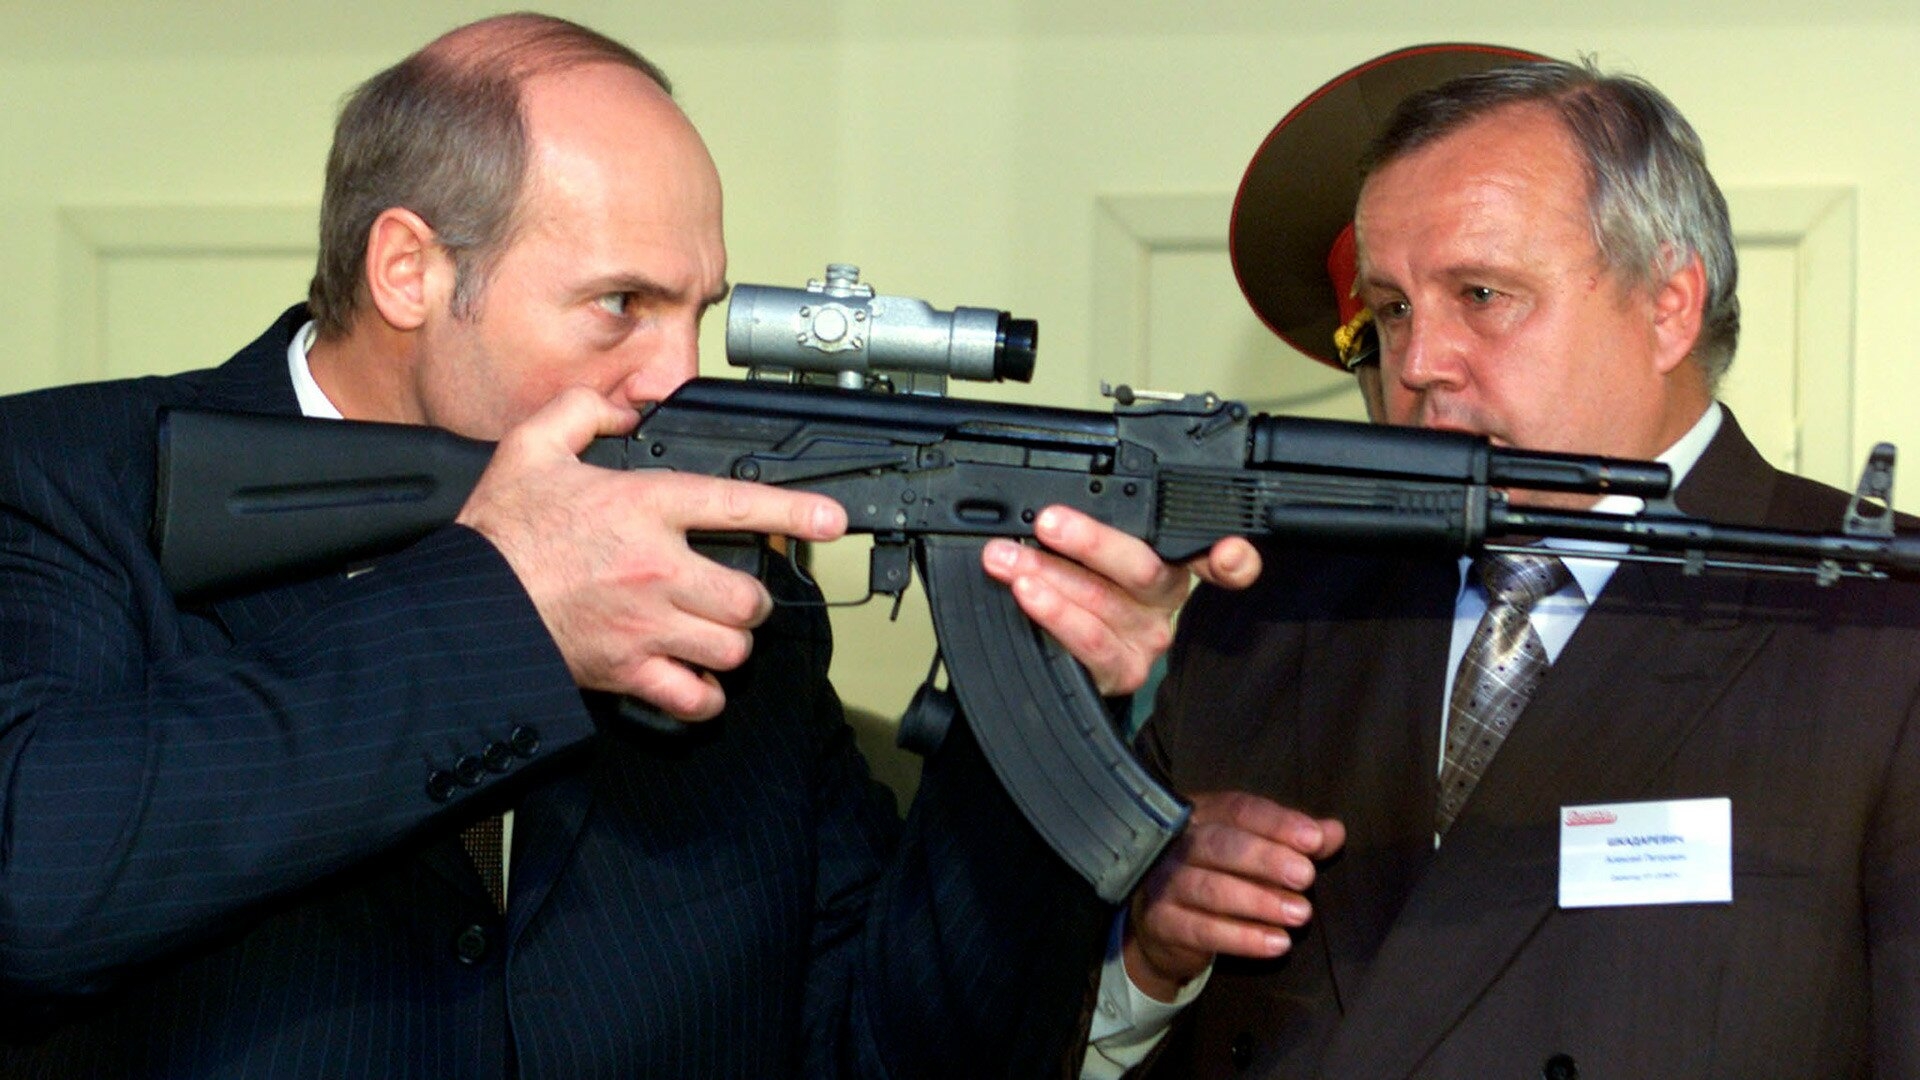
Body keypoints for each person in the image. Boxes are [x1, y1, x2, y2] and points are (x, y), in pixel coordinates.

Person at [0, 13, 1255, 1077]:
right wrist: (506, 612)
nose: (676, 374)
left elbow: (888, 1052)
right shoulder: (63, 485)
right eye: (620, 305)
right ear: (408, 270)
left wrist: (1033, 688)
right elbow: (33, 886)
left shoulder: (727, 586)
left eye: (698, 310)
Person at [1102, 49, 1920, 1078]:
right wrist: (1148, 951)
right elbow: (1018, 1015)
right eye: (1393, 310)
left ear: (1669, 304)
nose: (1416, 364)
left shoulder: (1885, 626)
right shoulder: (1266, 606)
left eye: (1482, 293)